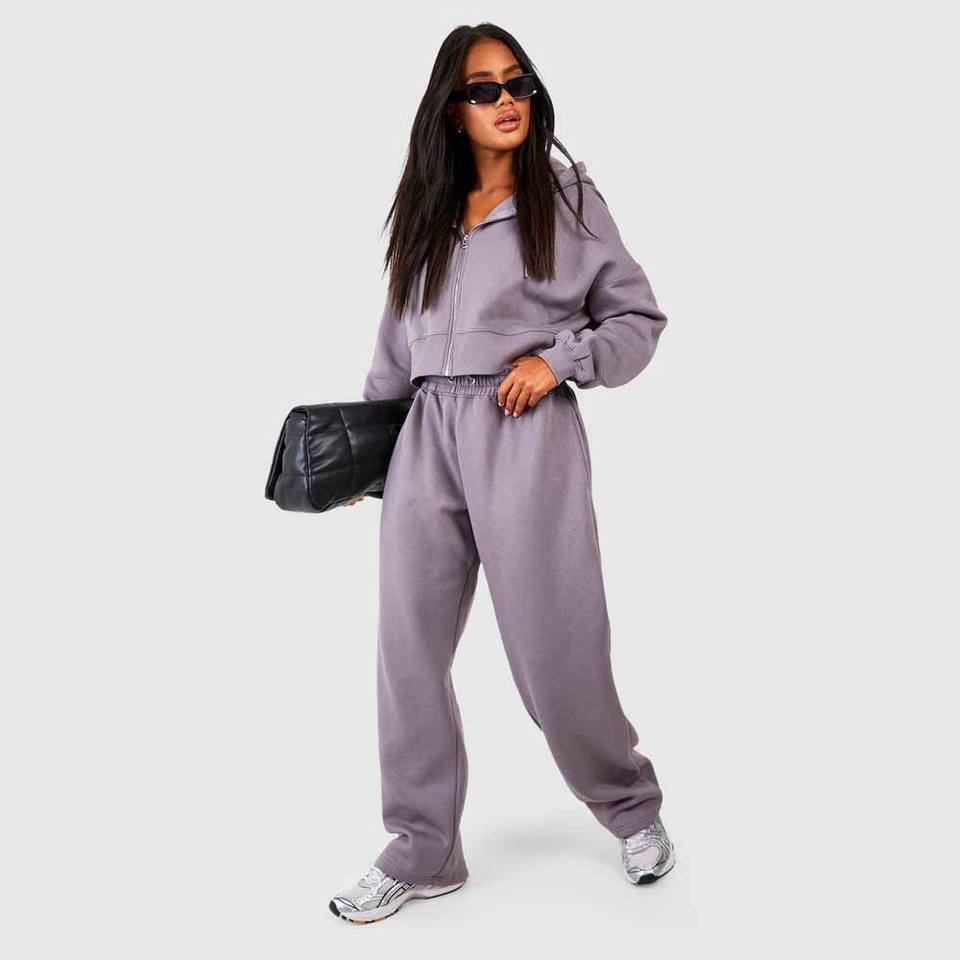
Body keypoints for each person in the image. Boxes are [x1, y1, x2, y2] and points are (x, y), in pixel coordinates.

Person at [329, 23, 674, 925]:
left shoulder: (567, 196)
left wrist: (559, 362)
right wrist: (372, 450)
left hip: (524, 430)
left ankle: (631, 807)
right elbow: (395, 342)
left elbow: (636, 320)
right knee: (407, 653)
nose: (505, 100)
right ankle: (423, 849)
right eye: (482, 89)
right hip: (424, 440)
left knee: (555, 645)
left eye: (516, 82)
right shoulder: (427, 208)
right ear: (453, 109)